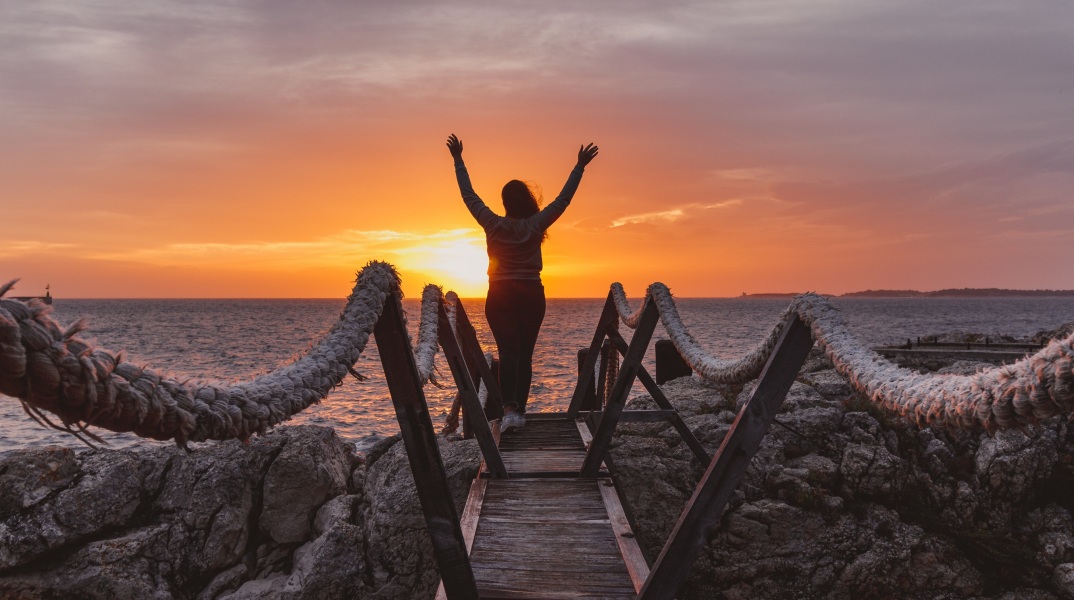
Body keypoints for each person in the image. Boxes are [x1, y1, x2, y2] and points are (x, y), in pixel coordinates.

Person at [446, 133, 599, 433]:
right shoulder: (535, 224)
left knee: (509, 353)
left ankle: (510, 410)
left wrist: (458, 159)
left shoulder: (492, 223)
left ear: (504, 202)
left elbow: (468, 195)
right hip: (530, 294)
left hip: (500, 295)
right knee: (524, 354)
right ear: (525, 201)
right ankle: (519, 410)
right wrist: (579, 166)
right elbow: (563, 201)